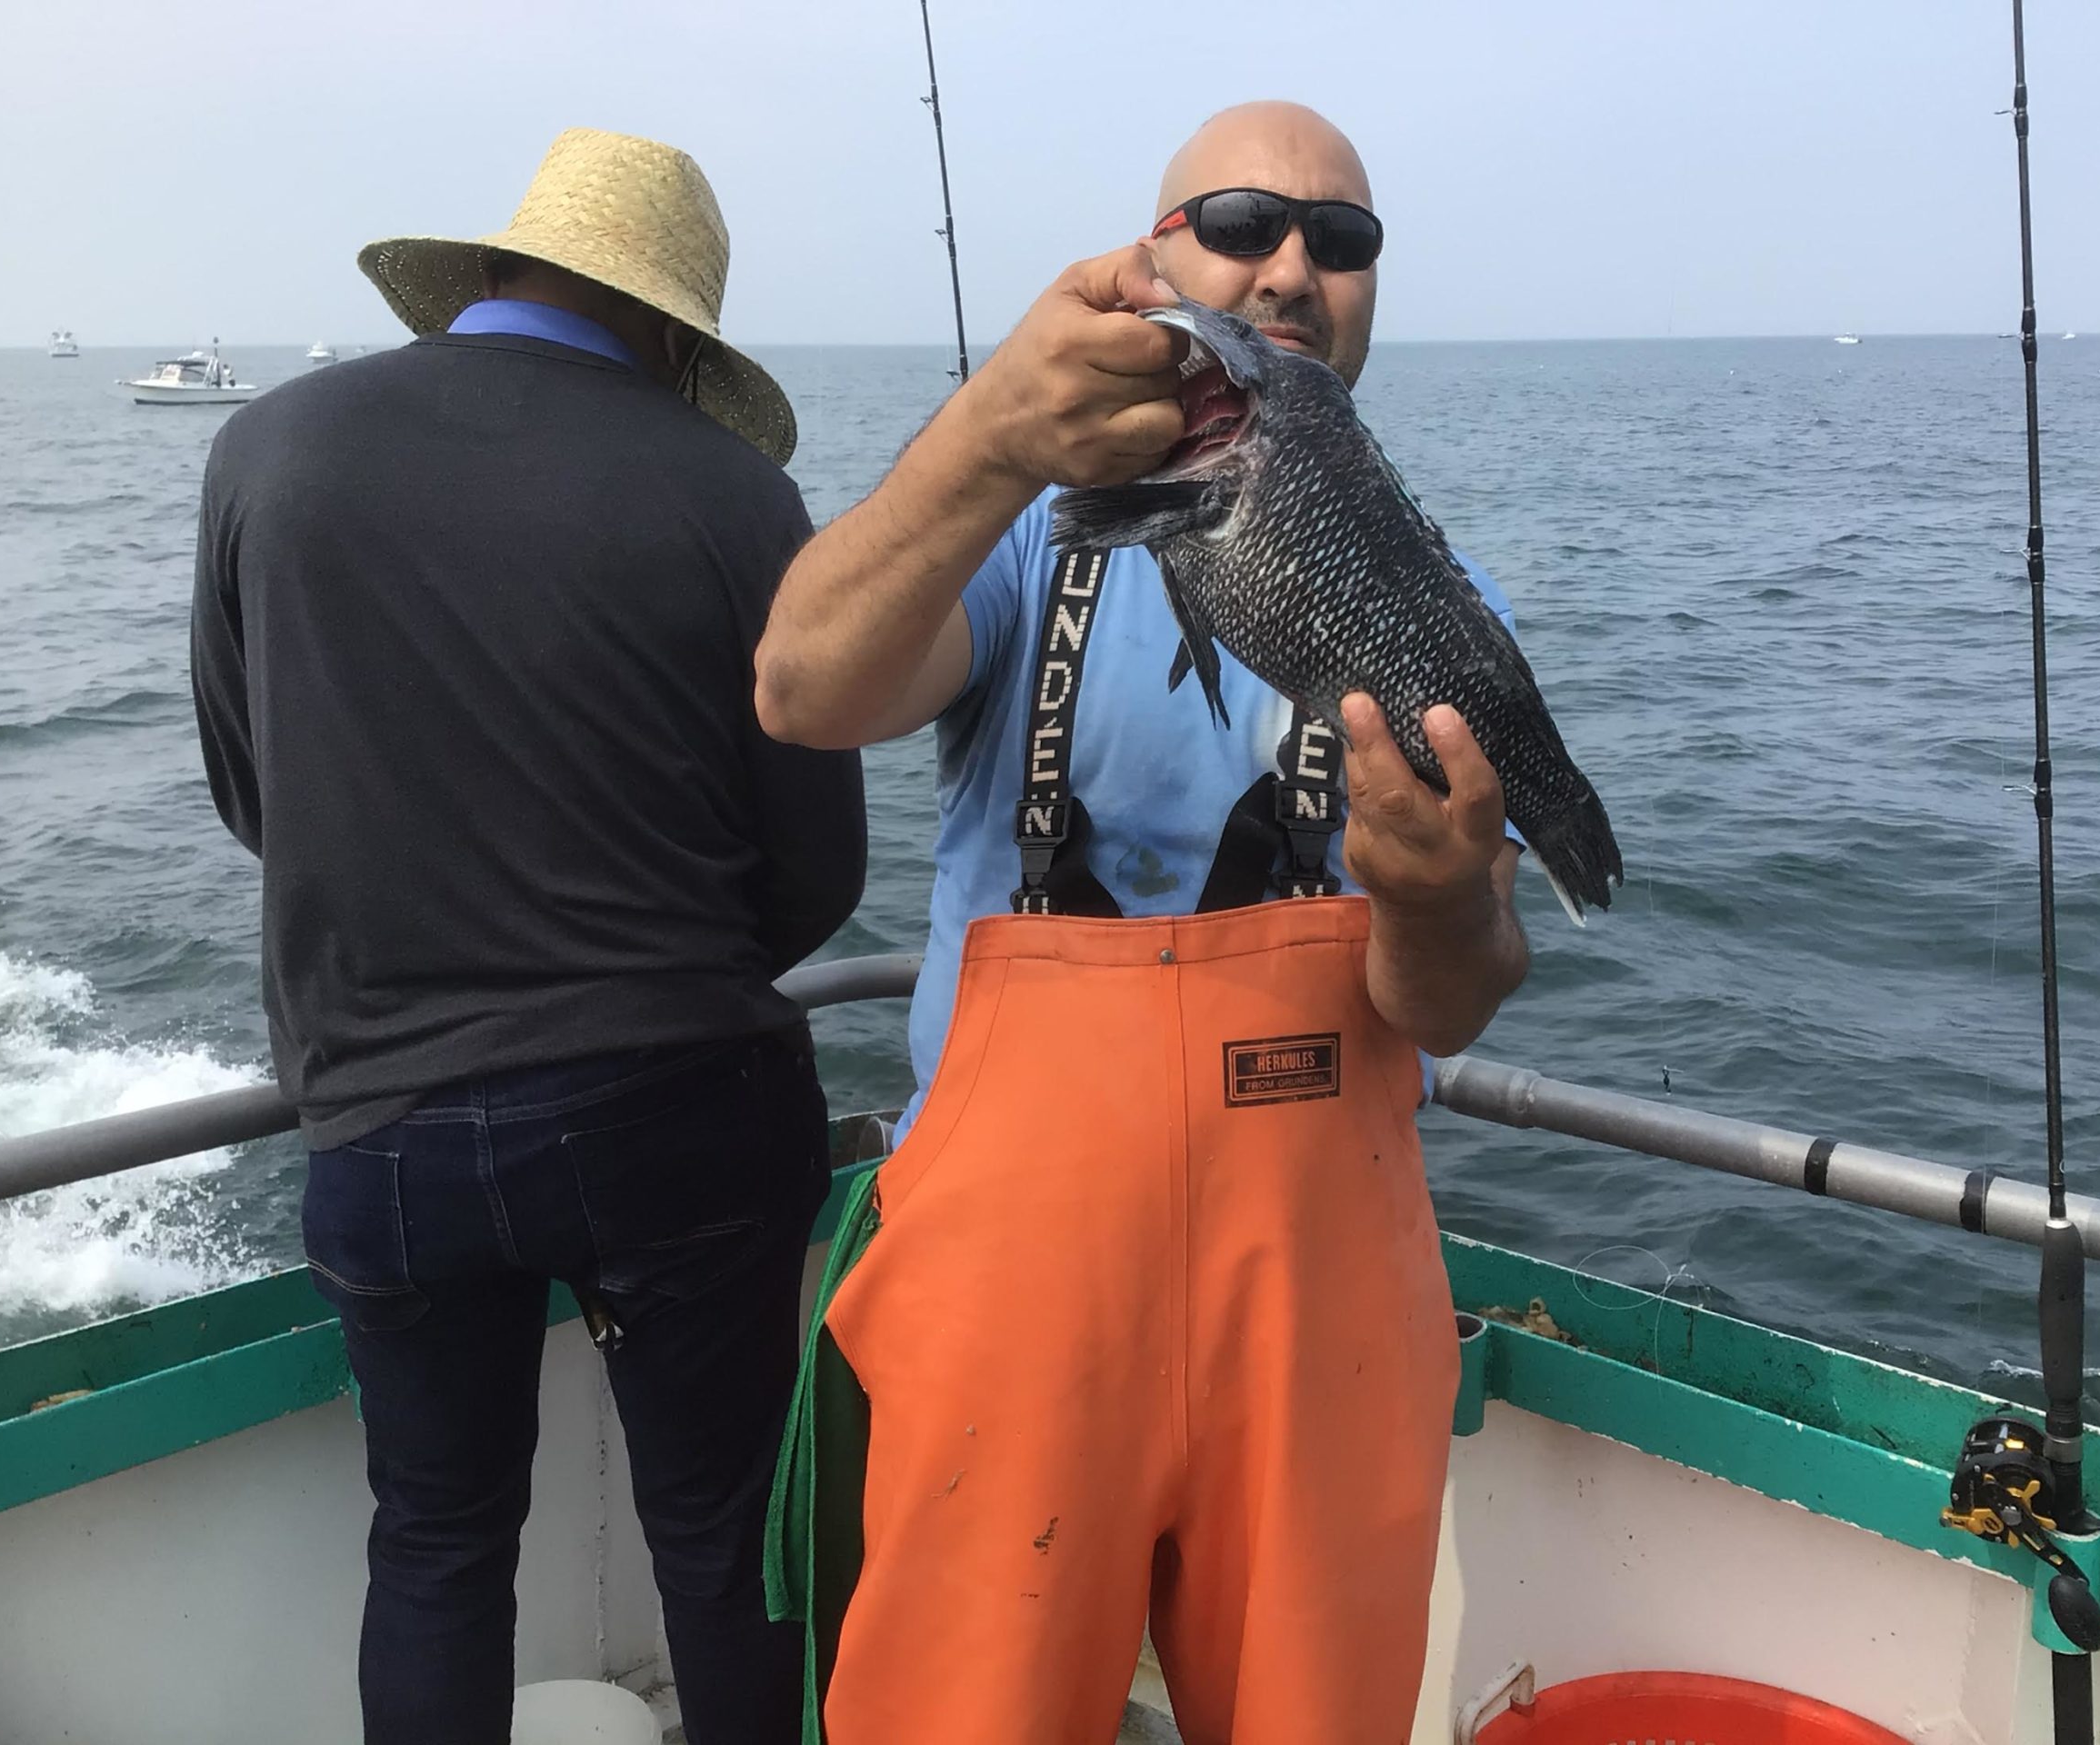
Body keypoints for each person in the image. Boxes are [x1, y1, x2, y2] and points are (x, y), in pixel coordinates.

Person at [755, 102, 1527, 1744]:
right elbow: (802, 689)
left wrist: (1442, 893)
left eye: (1346, 239)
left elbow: (1448, 1003)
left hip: (1320, 1298)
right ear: (1151, 259)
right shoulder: (1024, 528)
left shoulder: (1432, 600)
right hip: (1012, 1285)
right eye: (1242, 220)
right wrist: (991, 438)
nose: (1294, 268)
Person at [190, 127, 864, 1745]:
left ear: (489, 274)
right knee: (720, 1545)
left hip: (385, 1121)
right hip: (685, 1112)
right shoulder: (738, 493)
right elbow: (816, 874)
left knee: (433, 1543)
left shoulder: (270, 450)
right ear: (676, 329)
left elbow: (248, 789)